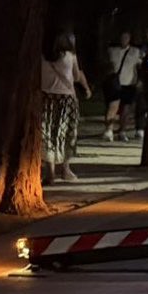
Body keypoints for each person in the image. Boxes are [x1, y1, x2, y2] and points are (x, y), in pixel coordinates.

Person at [41, 34, 92, 183]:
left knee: (48, 134)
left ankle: (50, 173)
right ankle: (65, 169)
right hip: (66, 99)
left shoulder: (41, 57)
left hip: (47, 99)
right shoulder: (70, 56)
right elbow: (76, 76)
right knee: (67, 134)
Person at [104, 31, 142, 142]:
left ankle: (122, 131)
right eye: (122, 37)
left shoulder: (135, 52)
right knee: (112, 107)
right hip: (115, 83)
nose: (124, 40)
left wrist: (139, 80)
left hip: (129, 83)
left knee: (126, 108)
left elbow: (139, 67)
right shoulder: (112, 51)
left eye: (126, 37)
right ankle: (109, 129)